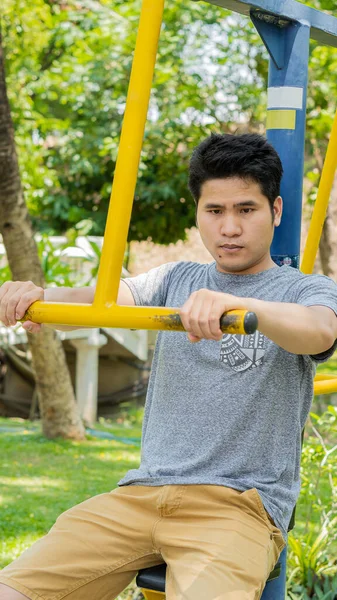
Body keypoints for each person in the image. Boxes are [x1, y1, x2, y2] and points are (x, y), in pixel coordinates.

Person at [0, 133, 337, 600]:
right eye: (215, 212)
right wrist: (37, 296)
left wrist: (237, 302)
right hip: (138, 497)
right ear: (198, 214)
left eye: (246, 209)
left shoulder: (304, 290)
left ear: (275, 211)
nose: (230, 228)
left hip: (238, 508)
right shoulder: (176, 278)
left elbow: (320, 331)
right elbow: (103, 301)